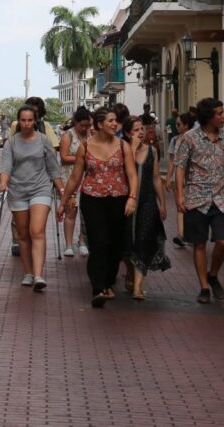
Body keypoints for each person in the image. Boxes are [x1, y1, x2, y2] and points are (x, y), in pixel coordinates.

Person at [57, 107, 138, 308]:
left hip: (119, 199)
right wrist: (63, 201)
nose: (114, 124)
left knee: (115, 245)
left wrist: (132, 198)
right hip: (92, 199)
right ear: (100, 124)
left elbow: (132, 174)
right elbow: (76, 177)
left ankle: (109, 281)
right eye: (110, 120)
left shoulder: (123, 146)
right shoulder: (86, 147)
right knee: (98, 242)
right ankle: (98, 287)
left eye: (115, 121)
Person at [173, 98, 224, 304]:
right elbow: (180, 167)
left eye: (223, 112)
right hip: (196, 198)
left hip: (221, 198)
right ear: (208, 117)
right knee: (199, 244)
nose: (223, 116)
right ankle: (204, 286)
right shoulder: (189, 138)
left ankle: (213, 274)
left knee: (223, 240)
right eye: (219, 113)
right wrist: (180, 196)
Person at [0, 105, 65, 290]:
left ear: (35, 121)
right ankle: (28, 272)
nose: (27, 124)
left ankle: (38, 275)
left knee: (37, 230)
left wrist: (62, 191)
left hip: (40, 189)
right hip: (18, 190)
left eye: (30, 120)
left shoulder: (43, 141)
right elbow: (5, 166)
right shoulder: (11, 142)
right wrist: (3, 182)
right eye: (23, 120)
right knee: (23, 234)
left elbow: (53, 168)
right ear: (18, 122)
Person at [123, 116, 169, 299]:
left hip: (148, 201)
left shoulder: (152, 151)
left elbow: (156, 177)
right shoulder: (123, 150)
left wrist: (162, 203)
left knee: (144, 240)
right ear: (127, 133)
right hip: (127, 201)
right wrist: (132, 151)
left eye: (142, 129)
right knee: (127, 241)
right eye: (135, 130)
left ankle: (138, 288)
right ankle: (129, 271)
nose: (140, 133)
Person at [8, 96, 59, 255]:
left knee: (37, 218)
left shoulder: (46, 127)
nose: (28, 122)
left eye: (35, 115)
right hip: (19, 179)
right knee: (19, 214)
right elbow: (10, 147)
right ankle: (19, 240)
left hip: (39, 178)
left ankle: (32, 243)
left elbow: (54, 148)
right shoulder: (16, 126)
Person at [59, 107, 92, 256]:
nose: (85, 128)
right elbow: (64, 157)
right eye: (82, 125)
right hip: (70, 177)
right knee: (70, 211)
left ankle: (82, 240)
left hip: (88, 178)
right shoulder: (68, 135)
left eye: (88, 125)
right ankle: (68, 244)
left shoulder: (92, 136)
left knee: (86, 212)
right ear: (75, 123)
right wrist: (81, 158)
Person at [166, 112, 194, 248]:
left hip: (193, 179)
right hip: (179, 178)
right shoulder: (174, 140)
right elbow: (172, 160)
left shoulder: (194, 140)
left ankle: (192, 234)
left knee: (193, 207)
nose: (176, 127)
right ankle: (181, 234)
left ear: (186, 125)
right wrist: (168, 178)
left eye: (178, 124)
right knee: (180, 206)